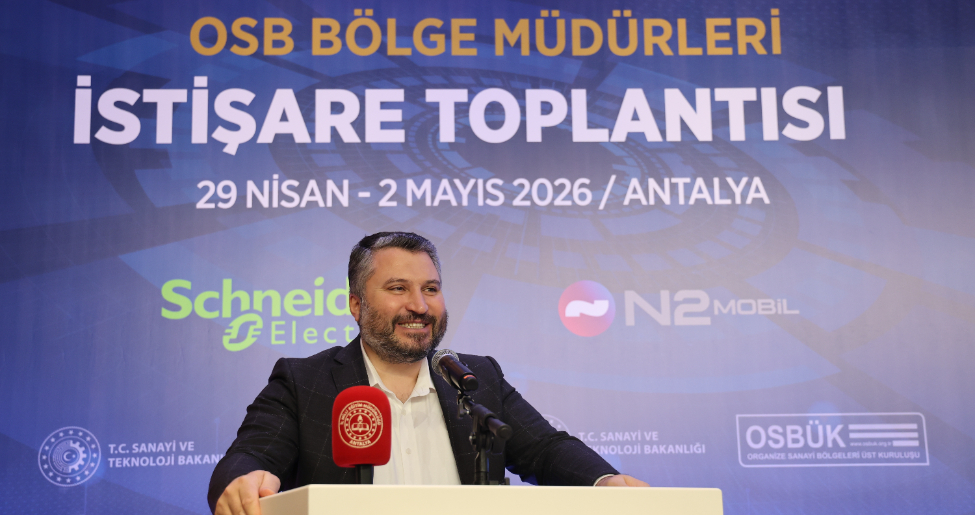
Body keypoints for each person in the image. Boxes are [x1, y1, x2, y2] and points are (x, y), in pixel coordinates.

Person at [208, 232, 648, 515]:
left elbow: (545, 449)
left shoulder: (475, 377)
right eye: (398, 288)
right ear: (357, 305)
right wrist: (244, 480)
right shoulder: (305, 382)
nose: (419, 305)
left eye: (431, 289)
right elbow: (250, 457)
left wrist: (604, 480)